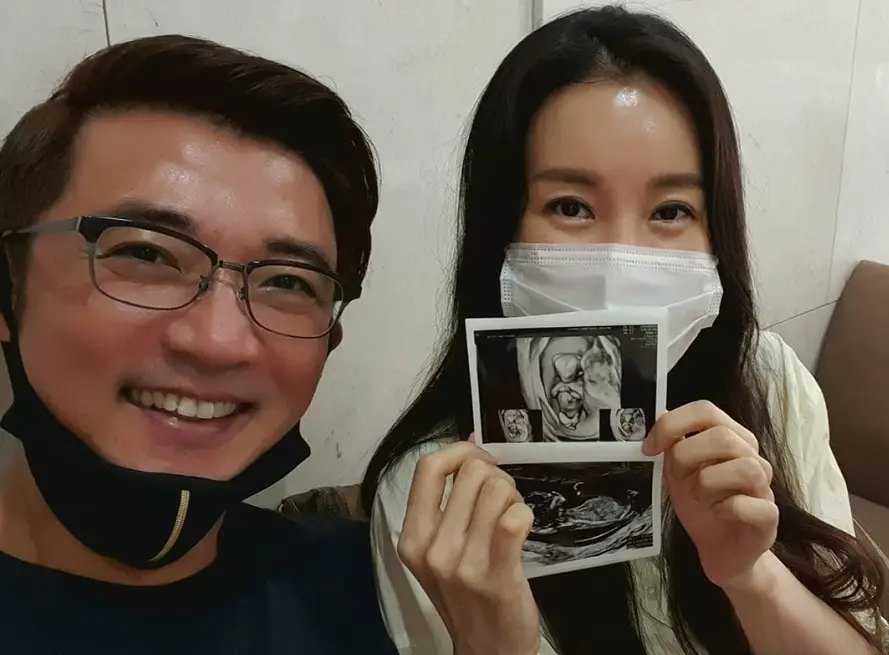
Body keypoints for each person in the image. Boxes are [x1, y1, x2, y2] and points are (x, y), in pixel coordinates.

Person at [361, 6, 887, 655]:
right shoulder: (430, 497)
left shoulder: (767, 381)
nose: (620, 260)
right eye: (570, 206)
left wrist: (753, 576)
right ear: (500, 229)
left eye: (670, 210)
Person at [0, 34, 395, 654]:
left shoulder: (381, 596)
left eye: (288, 281)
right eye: (146, 254)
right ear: (9, 285)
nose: (218, 342)